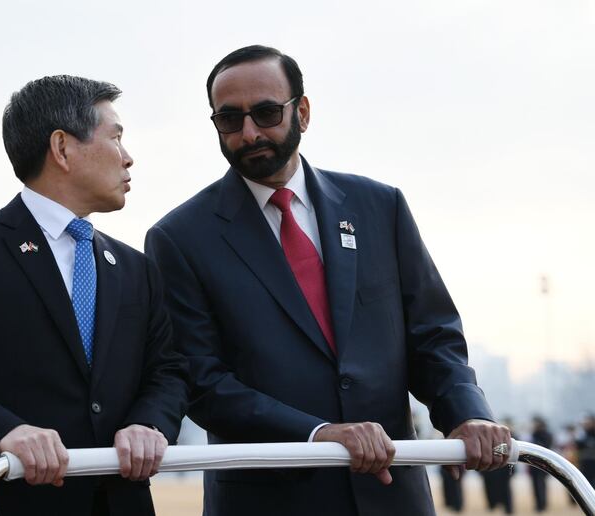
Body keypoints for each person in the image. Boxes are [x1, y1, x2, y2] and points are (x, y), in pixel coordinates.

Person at [145, 45, 511, 515]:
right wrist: (317, 436)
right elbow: (201, 380)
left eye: (265, 112)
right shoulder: (179, 238)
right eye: (230, 119)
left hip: (392, 497)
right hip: (268, 501)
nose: (250, 132)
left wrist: (467, 414)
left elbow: (433, 335)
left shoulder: (381, 207)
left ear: (303, 111)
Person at [0, 75, 189, 516]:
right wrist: (4, 431)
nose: (128, 158)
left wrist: (149, 422)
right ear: (63, 148)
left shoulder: (134, 267)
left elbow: (168, 369)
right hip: (7, 500)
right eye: (116, 137)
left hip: (119, 501)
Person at [529, 416, 553, 512]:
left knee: (541, 484)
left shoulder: (547, 435)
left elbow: (545, 447)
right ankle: (538, 504)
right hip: (534, 464)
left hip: (543, 464)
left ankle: (542, 504)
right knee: (535, 485)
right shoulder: (533, 434)